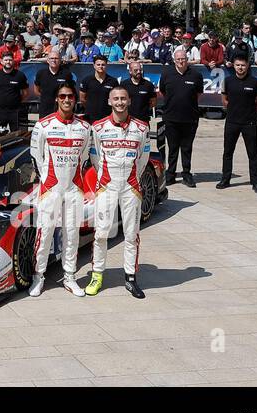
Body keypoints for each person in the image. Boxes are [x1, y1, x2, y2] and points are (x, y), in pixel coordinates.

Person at [85, 88, 149, 299]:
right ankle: (97, 275)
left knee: (131, 235)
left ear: (129, 101)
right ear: (109, 101)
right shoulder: (98, 128)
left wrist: (133, 179)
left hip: (131, 187)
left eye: (123, 98)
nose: (120, 102)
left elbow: (143, 158)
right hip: (106, 186)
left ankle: (131, 278)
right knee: (101, 233)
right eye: (116, 99)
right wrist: (104, 179)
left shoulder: (141, 128)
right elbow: (94, 157)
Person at [28, 86, 90, 297]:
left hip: (74, 189)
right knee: (44, 233)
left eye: (70, 96)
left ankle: (70, 277)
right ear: (56, 99)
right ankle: (38, 276)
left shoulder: (84, 127)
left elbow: (86, 157)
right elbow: (36, 157)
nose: (66, 99)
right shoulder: (43, 125)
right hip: (50, 188)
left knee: (72, 235)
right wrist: (46, 181)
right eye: (62, 96)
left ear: (75, 100)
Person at [158, 48, 203, 188]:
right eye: (178, 59)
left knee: (187, 147)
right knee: (172, 148)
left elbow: (198, 94)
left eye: (183, 58)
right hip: (171, 117)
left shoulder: (196, 75)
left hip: (190, 118)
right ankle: (170, 174)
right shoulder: (167, 73)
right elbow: (163, 91)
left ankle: (186, 174)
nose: (181, 61)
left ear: (187, 59)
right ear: (174, 60)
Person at [219, 53, 257, 192]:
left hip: (249, 123)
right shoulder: (228, 81)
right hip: (232, 122)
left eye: (243, 65)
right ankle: (225, 179)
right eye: (238, 65)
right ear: (234, 66)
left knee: (253, 153)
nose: (240, 68)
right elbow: (224, 100)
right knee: (228, 152)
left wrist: (250, 114)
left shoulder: (255, 82)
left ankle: (255, 182)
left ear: (247, 66)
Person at [33, 50, 76, 120]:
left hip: (62, 109)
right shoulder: (41, 73)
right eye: (52, 58)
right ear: (47, 60)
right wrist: (45, 97)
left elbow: (71, 91)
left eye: (56, 58)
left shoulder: (66, 74)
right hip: (45, 109)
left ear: (60, 60)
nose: (54, 60)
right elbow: (36, 90)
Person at [79, 54, 118, 123]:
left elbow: (116, 99)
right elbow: (82, 99)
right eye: (98, 64)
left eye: (103, 65)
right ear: (94, 65)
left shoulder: (113, 81)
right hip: (89, 117)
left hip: (107, 117)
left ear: (106, 65)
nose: (101, 67)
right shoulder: (86, 80)